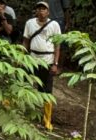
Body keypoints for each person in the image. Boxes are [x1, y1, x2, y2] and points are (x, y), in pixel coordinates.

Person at [22, 1, 61, 131]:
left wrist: (55, 63)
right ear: (36, 11)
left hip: (47, 61)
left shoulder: (54, 25)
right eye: (38, 9)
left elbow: (57, 45)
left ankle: (47, 119)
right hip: (32, 59)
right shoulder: (30, 23)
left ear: (48, 12)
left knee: (47, 91)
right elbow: (26, 41)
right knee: (25, 85)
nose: (41, 11)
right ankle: (23, 113)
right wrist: (22, 57)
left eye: (43, 9)